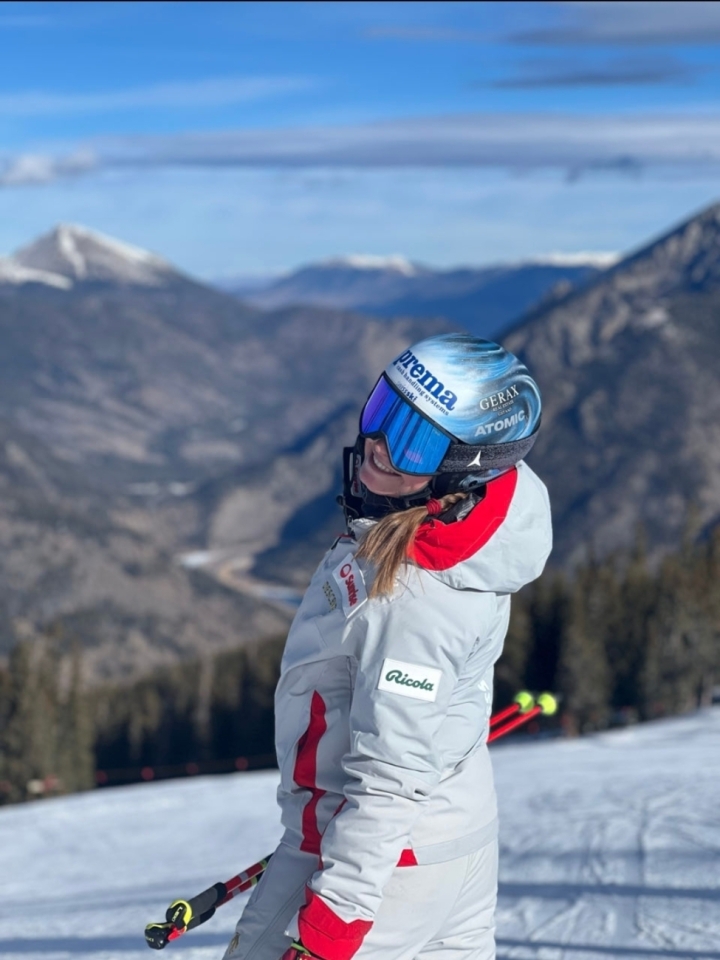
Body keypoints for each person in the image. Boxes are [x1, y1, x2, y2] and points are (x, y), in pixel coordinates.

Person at [223, 333, 552, 960]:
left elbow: (390, 778)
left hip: (383, 869)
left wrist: (331, 926)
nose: (378, 445)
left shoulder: (414, 601)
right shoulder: (471, 526)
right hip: (454, 840)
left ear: (465, 465)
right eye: (381, 411)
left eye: (413, 439)